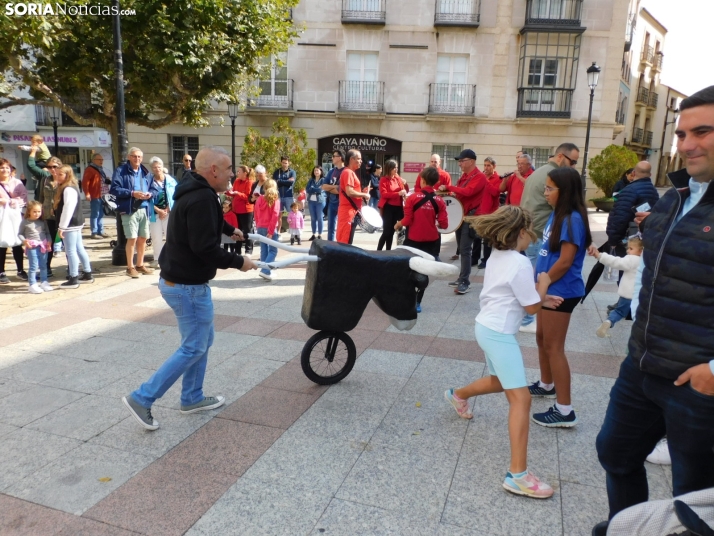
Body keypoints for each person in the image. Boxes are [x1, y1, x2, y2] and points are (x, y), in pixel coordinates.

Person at [592, 85, 714, 536]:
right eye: (682, 134)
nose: (687, 144)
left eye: (702, 132)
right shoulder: (677, 195)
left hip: (697, 384)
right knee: (615, 454)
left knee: (695, 499)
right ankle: (630, 529)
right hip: (643, 365)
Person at [122, 146, 257, 431]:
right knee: (194, 345)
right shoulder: (202, 198)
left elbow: (205, 224)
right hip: (187, 287)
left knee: (201, 342)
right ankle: (142, 398)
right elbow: (205, 248)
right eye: (229, 168)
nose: (233, 173)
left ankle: (192, 396)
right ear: (214, 171)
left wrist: (228, 227)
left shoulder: (194, 187)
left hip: (181, 282)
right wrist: (239, 261)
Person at [444, 205, 562, 499]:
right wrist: (544, 285)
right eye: (530, 233)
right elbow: (531, 307)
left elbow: (512, 294)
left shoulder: (499, 255)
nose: (532, 238)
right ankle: (518, 475)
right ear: (521, 232)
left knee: (499, 382)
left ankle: (457, 395)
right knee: (521, 398)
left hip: (486, 327)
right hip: (498, 334)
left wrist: (541, 298)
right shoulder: (521, 263)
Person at [528, 167, 592, 428]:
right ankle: (546, 384)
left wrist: (543, 283)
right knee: (541, 338)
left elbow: (565, 261)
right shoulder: (559, 214)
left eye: (549, 188)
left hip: (560, 291)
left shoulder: (571, 219)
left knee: (554, 347)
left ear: (564, 192)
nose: (545, 193)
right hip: (549, 288)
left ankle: (565, 410)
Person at [518, 143, 580, 333]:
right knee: (535, 275)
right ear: (561, 156)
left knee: (533, 272)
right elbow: (564, 262)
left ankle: (528, 317)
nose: (574, 167)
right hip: (539, 234)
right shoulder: (552, 176)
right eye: (573, 162)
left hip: (531, 232)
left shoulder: (539, 172)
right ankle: (528, 319)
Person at [395, 166, 448, 312]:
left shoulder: (412, 198)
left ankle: (407, 298)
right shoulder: (440, 201)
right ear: (435, 182)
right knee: (424, 271)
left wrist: (398, 224)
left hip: (413, 240)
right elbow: (444, 224)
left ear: (422, 180)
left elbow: (407, 221)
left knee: (407, 269)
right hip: (431, 242)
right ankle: (418, 303)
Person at [440, 149, 487, 295]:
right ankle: (462, 277)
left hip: (471, 217)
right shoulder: (465, 176)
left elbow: (468, 192)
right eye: (459, 161)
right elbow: (460, 193)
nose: (460, 163)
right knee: (462, 249)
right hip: (462, 216)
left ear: (471, 161)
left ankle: (465, 281)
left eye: (462, 161)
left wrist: (448, 187)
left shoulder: (479, 177)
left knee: (466, 250)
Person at [110, 147, 156, 278]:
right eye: (134, 156)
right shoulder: (121, 171)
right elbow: (114, 189)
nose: (137, 159)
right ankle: (130, 267)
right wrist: (131, 193)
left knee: (143, 238)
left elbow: (153, 188)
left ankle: (140, 265)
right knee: (132, 238)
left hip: (144, 207)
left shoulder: (145, 171)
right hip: (129, 208)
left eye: (139, 157)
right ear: (129, 157)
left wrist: (150, 194)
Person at [588, 236, 642, 338]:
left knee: (619, 312)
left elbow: (615, 261)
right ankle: (637, 335)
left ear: (640, 251)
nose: (628, 251)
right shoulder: (648, 262)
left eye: (631, 249)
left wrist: (600, 256)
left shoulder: (631, 259)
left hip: (626, 295)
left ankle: (608, 322)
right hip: (640, 297)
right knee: (640, 316)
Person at [605, 161, 659, 257]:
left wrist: (613, 239)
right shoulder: (654, 191)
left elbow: (619, 217)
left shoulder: (629, 190)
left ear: (633, 173)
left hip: (628, 241)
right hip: (645, 240)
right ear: (650, 175)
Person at [54, 165, 93, 288]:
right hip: (75, 223)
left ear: (67, 175)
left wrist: (62, 227)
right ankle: (87, 273)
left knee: (71, 251)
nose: (57, 176)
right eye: (57, 174)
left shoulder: (68, 189)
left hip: (70, 224)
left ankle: (73, 277)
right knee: (79, 248)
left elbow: (68, 209)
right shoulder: (71, 187)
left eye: (61, 174)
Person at [27, 148, 62, 277]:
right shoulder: (45, 180)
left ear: (60, 166)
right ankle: (46, 268)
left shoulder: (63, 180)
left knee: (67, 243)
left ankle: (72, 270)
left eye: (54, 166)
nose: (52, 169)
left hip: (61, 215)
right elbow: (40, 197)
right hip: (47, 215)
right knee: (48, 242)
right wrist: (38, 213)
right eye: (49, 167)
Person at [0, 158, 28, 283]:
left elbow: (24, 198)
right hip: (1, 216)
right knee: (2, 243)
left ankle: (20, 270)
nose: (5, 169)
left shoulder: (17, 182)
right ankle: (1, 272)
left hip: (15, 216)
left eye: (7, 167)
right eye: (2, 167)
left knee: (17, 242)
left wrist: (13, 201)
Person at [472, 157, 501, 269]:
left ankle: (486, 259)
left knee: (487, 239)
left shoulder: (498, 178)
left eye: (488, 165)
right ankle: (474, 258)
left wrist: (486, 181)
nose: (486, 168)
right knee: (476, 237)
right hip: (478, 211)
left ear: (494, 166)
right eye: (484, 165)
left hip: (490, 213)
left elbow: (495, 193)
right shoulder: (480, 178)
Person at [148, 157, 178, 268]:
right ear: (152, 168)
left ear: (162, 167)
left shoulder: (170, 180)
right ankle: (157, 259)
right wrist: (158, 210)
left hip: (169, 212)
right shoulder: (148, 181)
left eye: (159, 167)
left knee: (170, 236)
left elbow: (176, 195)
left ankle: (172, 258)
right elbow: (146, 198)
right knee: (156, 237)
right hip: (154, 212)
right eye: (154, 167)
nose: (157, 169)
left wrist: (167, 209)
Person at [18, 200, 53, 294]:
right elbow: (20, 234)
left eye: (39, 211)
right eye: (34, 211)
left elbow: (47, 233)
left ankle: (44, 282)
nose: (37, 213)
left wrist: (49, 241)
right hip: (32, 246)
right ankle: (32, 284)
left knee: (43, 265)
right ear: (29, 211)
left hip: (43, 245)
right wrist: (24, 241)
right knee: (33, 266)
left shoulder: (43, 222)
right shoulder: (25, 222)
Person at [337, 149, 370, 245]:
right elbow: (349, 192)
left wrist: (362, 192)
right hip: (348, 212)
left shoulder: (349, 172)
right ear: (351, 159)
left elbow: (350, 191)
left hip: (350, 212)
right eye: (359, 159)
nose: (361, 161)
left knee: (347, 241)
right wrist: (364, 194)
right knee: (345, 242)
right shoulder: (348, 172)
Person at [377, 159, 408, 251]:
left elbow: (404, 189)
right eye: (394, 168)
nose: (396, 169)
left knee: (392, 232)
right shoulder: (383, 179)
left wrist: (405, 185)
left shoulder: (397, 178)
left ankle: (388, 251)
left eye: (397, 167)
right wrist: (397, 193)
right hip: (388, 208)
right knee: (386, 232)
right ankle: (378, 251)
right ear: (389, 168)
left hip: (398, 208)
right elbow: (384, 194)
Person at [254, 179, 281, 281]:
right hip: (270, 228)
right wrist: (270, 231)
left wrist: (257, 226)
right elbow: (275, 215)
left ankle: (265, 270)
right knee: (273, 250)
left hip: (260, 226)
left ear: (264, 188)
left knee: (263, 249)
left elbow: (256, 214)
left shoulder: (259, 199)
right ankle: (265, 271)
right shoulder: (276, 200)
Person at [226, 165, 255, 255]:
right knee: (237, 230)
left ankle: (248, 250)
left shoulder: (250, 182)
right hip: (236, 210)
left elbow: (248, 197)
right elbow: (233, 193)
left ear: (245, 173)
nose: (237, 173)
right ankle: (237, 250)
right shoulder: (237, 181)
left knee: (247, 230)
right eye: (237, 171)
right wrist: (227, 192)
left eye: (239, 172)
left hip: (246, 210)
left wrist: (238, 193)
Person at [81, 153, 110, 239]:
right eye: (99, 160)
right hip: (95, 195)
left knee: (101, 214)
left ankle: (100, 231)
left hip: (102, 195)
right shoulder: (90, 169)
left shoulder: (100, 169)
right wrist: (87, 193)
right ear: (94, 160)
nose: (101, 161)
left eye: (102, 160)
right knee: (95, 214)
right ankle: (94, 232)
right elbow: (85, 182)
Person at [322, 150, 345, 241]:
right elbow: (323, 186)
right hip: (331, 203)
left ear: (340, 158)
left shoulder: (346, 171)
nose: (332, 158)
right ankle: (330, 247)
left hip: (342, 203)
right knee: (330, 228)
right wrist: (335, 187)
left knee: (341, 228)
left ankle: (340, 248)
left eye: (334, 156)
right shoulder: (331, 171)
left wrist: (331, 188)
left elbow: (341, 190)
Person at [305, 166, 326, 240]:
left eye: (317, 170)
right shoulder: (311, 180)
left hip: (320, 201)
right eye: (315, 171)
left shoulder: (323, 180)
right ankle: (313, 234)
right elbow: (307, 189)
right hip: (311, 201)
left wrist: (313, 189)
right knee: (313, 218)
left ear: (321, 171)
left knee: (320, 218)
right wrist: (315, 189)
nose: (316, 172)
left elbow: (321, 190)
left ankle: (319, 234)